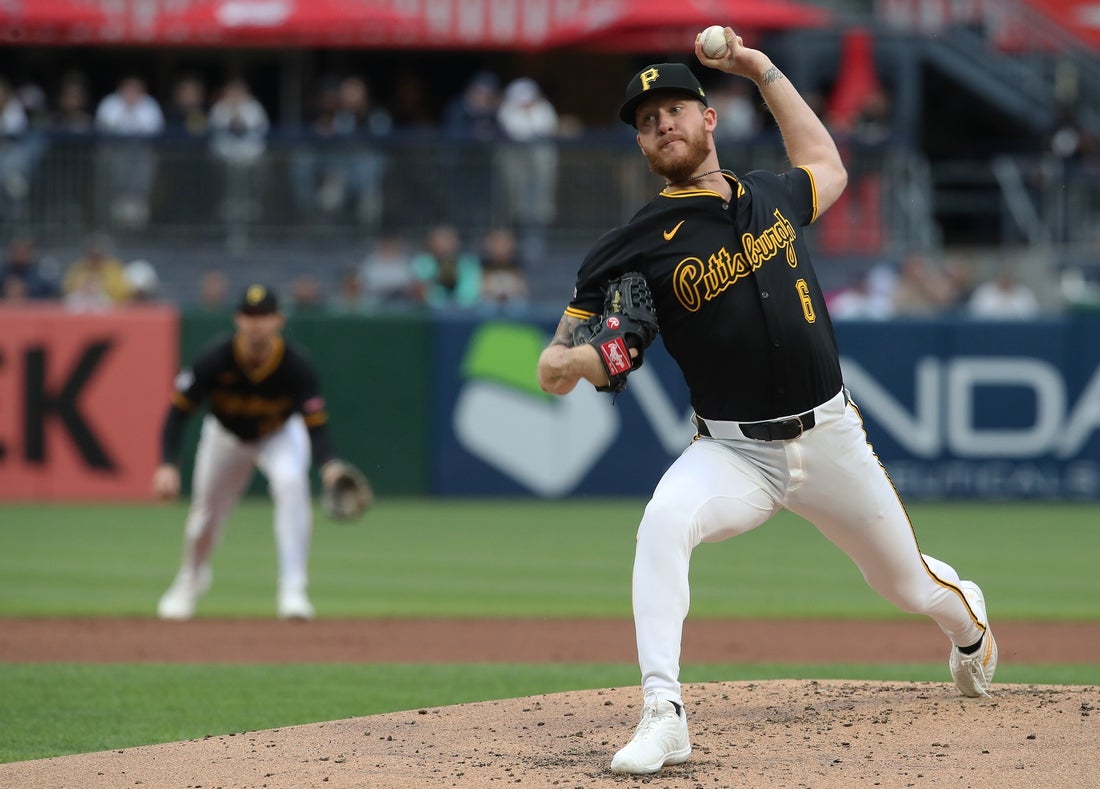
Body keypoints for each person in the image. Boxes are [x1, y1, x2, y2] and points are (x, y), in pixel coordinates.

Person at [536, 30, 998, 776]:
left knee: (906, 583)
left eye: (673, 109)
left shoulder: (771, 194)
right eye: (646, 120)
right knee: (663, 522)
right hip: (733, 451)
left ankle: (969, 624)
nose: (661, 124)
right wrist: (579, 359)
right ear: (643, 145)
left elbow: (828, 167)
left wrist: (760, 68)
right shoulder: (632, 244)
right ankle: (663, 712)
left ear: (707, 117)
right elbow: (563, 355)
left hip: (830, 437)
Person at [152, 284, 353, 620]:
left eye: (264, 315)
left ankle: (293, 590)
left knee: (291, 484)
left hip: (278, 435)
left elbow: (315, 423)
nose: (256, 323)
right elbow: (177, 414)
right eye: (249, 315)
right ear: (238, 319)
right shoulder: (214, 359)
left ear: (279, 320)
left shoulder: (296, 366)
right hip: (225, 437)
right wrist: (167, 464)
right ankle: (190, 580)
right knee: (205, 517)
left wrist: (329, 464)